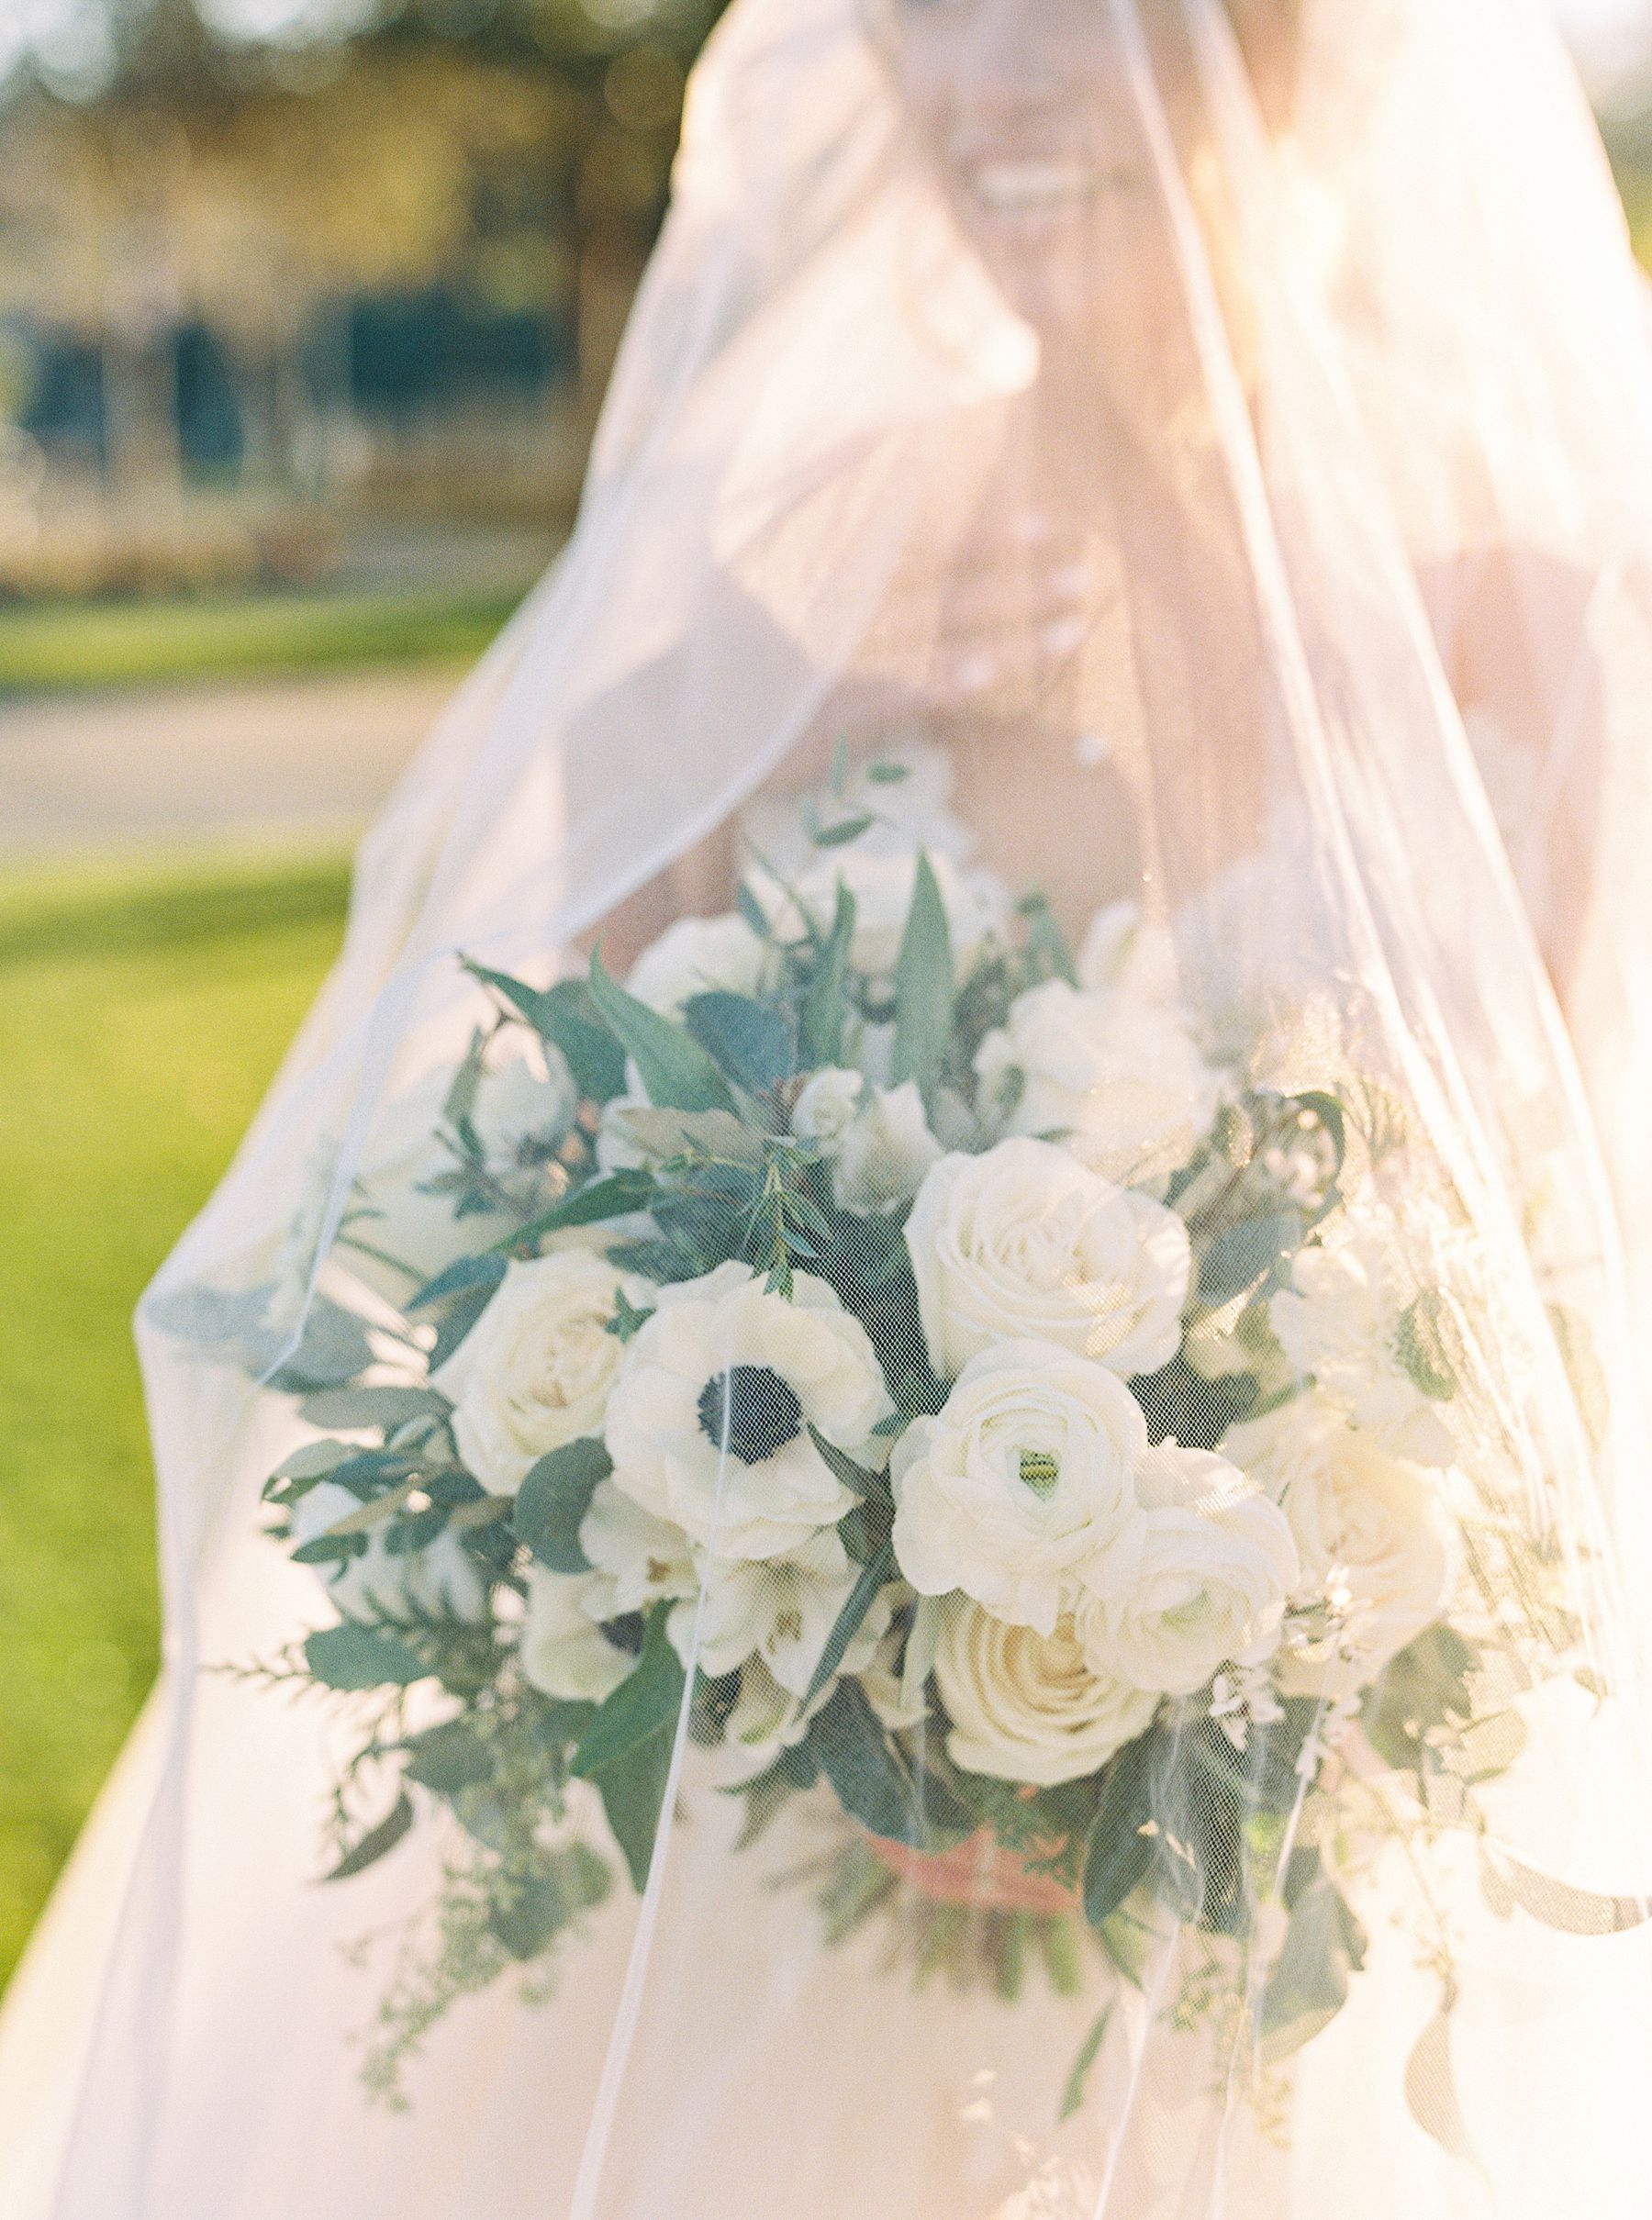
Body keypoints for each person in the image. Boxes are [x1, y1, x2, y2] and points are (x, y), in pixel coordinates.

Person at [5, 6, 1652, 2218]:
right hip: (771, 1880)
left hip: (1259, 1948)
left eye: (1075, 7)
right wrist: (786, 703)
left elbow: (1556, 1326)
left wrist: (1192, 1689)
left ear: (1291, 48)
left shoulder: (1532, 617)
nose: (989, 86)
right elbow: (550, 1205)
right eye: (927, 6)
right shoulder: (777, 564)